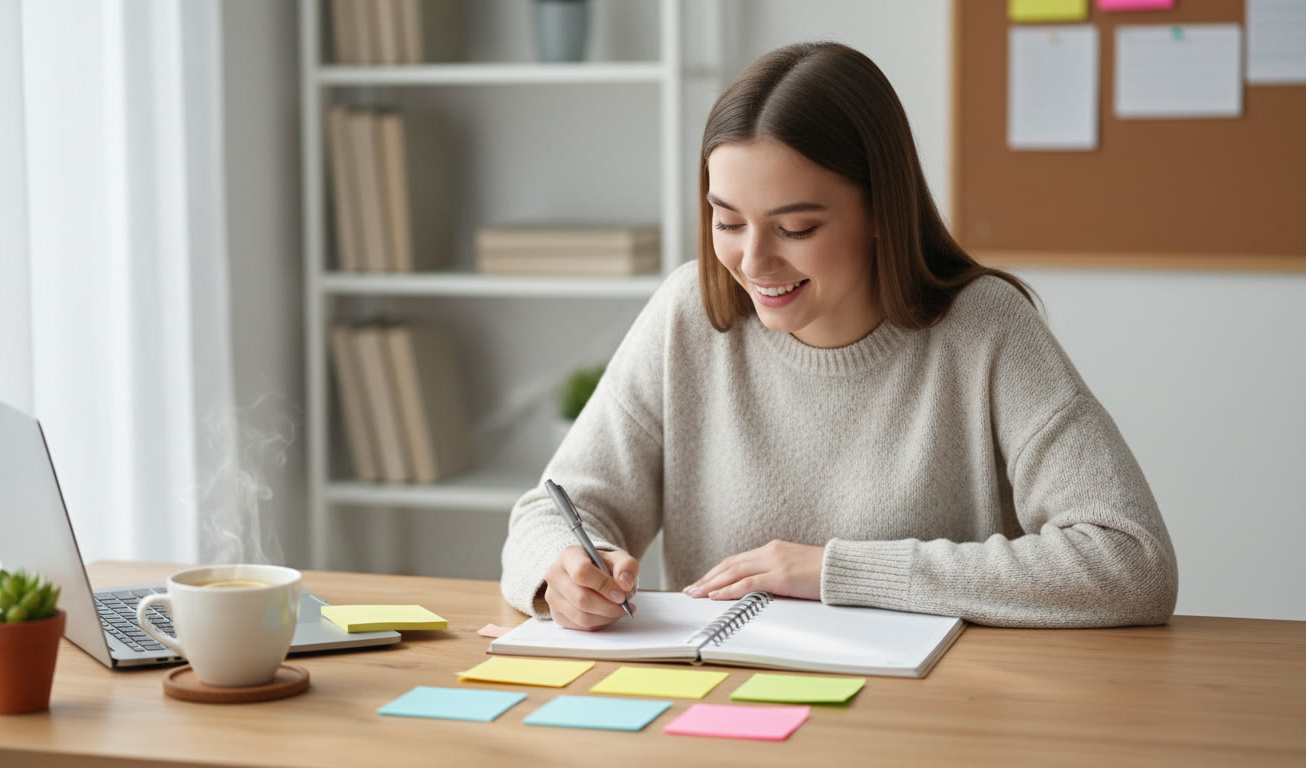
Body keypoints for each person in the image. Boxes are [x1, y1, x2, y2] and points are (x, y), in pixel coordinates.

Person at [500, 41, 1177, 631]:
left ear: (884, 209)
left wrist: (836, 571)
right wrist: (560, 573)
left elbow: (1130, 560)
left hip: (933, 718)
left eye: (796, 229)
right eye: (727, 221)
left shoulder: (985, 328)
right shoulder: (689, 314)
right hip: (723, 708)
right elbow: (552, 511)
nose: (753, 262)